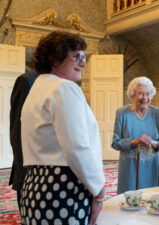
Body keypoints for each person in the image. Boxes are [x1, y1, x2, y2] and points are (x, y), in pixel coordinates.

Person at [20, 31, 106, 225]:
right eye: (77, 56)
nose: (83, 63)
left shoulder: (37, 88)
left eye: (84, 57)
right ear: (55, 58)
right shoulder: (64, 88)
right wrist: (99, 190)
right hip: (63, 186)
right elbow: (76, 146)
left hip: (35, 184)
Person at [112, 76, 159, 193]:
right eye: (141, 94)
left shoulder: (157, 113)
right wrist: (134, 141)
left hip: (151, 166)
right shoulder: (122, 113)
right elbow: (115, 143)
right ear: (133, 94)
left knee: (151, 201)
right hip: (129, 167)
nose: (145, 98)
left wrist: (153, 143)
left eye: (148, 94)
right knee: (129, 202)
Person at [9, 70, 38, 213]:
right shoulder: (27, 81)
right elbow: (17, 130)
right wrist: (24, 173)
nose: (81, 63)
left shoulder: (64, 83)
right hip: (29, 168)